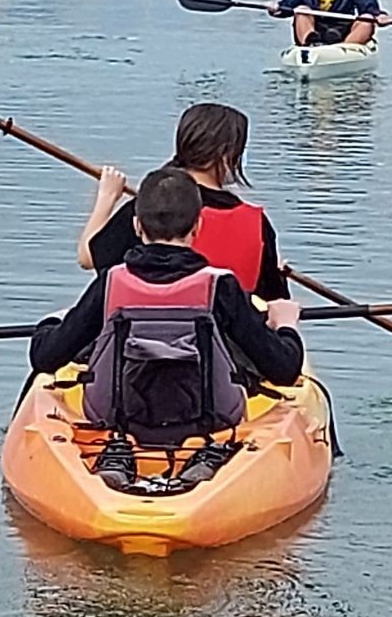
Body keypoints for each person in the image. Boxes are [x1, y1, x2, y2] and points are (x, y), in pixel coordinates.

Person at [33, 167, 304, 490]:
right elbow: (285, 370)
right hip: (210, 419)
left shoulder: (110, 284)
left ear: (136, 225)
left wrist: (52, 323)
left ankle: (121, 453)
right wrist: (285, 324)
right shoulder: (222, 287)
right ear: (197, 226)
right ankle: (206, 454)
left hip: (118, 418)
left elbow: (45, 357)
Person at [79, 103, 289, 301]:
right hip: (225, 337)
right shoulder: (258, 224)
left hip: (148, 332)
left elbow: (88, 257)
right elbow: (272, 302)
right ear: (229, 155)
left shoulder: (155, 202)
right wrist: (274, 272)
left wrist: (106, 197)